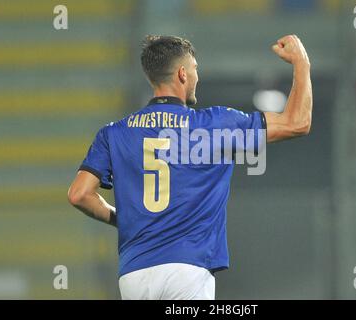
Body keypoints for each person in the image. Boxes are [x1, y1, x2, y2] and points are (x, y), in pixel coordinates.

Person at [68, 34, 312, 300]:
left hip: (134, 274)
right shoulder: (214, 125)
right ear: (183, 74)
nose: (198, 76)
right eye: (195, 69)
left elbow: (79, 194)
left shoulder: (113, 133)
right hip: (188, 270)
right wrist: (301, 62)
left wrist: (124, 219)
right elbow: (297, 123)